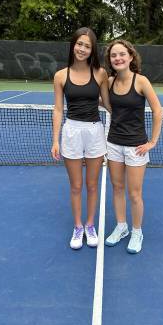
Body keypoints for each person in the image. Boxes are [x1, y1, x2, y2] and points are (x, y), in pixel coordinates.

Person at [51, 27, 111, 250]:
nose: (82, 49)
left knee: (92, 185)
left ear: (92, 49)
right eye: (79, 44)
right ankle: (78, 227)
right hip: (71, 132)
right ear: (73, 45)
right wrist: (55, 140)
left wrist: (128, 106)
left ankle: (90, 225)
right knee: (76, 186)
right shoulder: (60, 76)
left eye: (87, 45)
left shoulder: (101, 73)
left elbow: (106, 103)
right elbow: (58, 109)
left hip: (95, 132)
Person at [102, 39, 162, 254]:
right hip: (113, 144)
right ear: (110, 60)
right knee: (117, 188)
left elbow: (158, 110)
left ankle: (137, 232)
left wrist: (152, 142)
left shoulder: (141, 81)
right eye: (113, 55)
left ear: (130, 57)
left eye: (121, 54)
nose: (118, 58)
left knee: (134, 194)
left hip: (136, 146)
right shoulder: (108, 82)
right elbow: (104, 103)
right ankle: (122, 227)